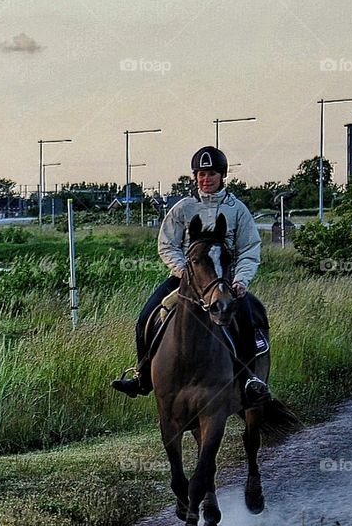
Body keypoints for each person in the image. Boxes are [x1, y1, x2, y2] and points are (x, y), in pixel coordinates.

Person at [111, 146, 270, 403]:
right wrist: (184, 271)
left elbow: (249, 248)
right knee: (145, 317)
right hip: (185, 278)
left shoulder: (237, 209)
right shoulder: (182, 208)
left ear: (222, 175)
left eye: (212, 174)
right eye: (201, 174)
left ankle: (249, 378)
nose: (206, 179)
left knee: (248, 318)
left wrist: (241, 280)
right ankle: (143, 376)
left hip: (224, 281)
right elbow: (167, 244)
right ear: (195, 176)